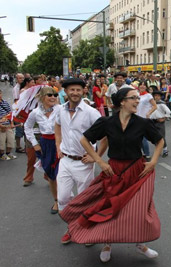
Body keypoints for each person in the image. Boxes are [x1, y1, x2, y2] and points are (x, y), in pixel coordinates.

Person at [60, 87, 164, 263]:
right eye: (133, 98)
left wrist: (153, 161)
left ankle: (140, 243)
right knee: (111, 207)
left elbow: (159, 140)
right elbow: (84, 139)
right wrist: (99, 161)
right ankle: (107, 243)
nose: (137, 101)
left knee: (137, 209)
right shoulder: (107, 122)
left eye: (138, 98)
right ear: (122, 102)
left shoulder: (142, 123)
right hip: (114, 170)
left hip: (137, 170)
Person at [54, 78, 103, 244]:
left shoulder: (91, 112)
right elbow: (57, 126)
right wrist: (57, 145)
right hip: (65, 161)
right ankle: (71, 228)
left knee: (84, 201)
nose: (75, 93)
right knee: (62, 198)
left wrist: (95, 156)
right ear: (66, 91)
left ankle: (85, 231)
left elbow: (105, 136)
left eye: (78, 90)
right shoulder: (60, 109)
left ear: (83, 91)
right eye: (71, 90)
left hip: (84, 163)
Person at [24, 87, 60, 214]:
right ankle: (56, 200)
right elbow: (27, 127)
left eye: (55, 95)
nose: (53, 97)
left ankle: (66, 198)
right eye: (49, 95)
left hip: (60, 143)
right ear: (42, 97)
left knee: (62, 173)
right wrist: (35, 144)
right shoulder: (35, 112)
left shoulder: (61, 110)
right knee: (51, 174)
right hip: (46, 144)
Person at [137, 81, 157, 160]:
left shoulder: (148, 96)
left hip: (144, 119)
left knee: (143, 138)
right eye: (141, 85)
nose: (142, 86)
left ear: (146, 87)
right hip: (136, 118)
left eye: (144, 85)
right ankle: (142, 153)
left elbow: (155, 106)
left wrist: (148, 113)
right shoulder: (136, 95)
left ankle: (147, 154)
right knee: (138, 137)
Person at [150, 90, 171, 157]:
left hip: (160, 122)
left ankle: (165, 150)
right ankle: (158, 149)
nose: (157, 97)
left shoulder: (162, 104)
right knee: (154, 136)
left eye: (158, 96)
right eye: (155, 96)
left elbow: (168, 112)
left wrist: (164, 118)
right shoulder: (151, 104)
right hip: (152, 121)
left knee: (161, 136)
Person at [0, 89, 17, 161]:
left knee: (11, 139)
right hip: (1, 125)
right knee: (1, 140)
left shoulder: (5, 102)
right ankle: (2, 154)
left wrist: (12, 123)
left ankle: (8, 152)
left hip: (8, 124)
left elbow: (10, 113)